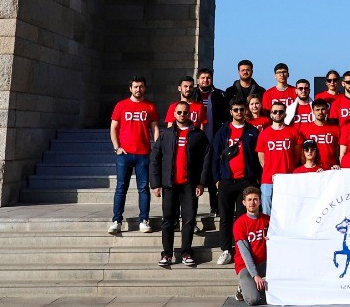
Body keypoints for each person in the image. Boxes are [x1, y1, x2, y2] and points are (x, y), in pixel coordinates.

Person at [149, 101, 211, 267]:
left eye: (185, 112)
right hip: (170, 185)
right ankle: (167, 254)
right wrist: (155, 184)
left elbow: (206, 159)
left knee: (189, 220)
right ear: (174, 114)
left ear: (189, 114)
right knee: (168, 220)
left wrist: (201, 183)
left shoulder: (198, 135)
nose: (182, 115)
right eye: (179, 112)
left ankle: (186, 252)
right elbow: (154, 159)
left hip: (189, 185)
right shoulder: (166, 134)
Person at [212, 101, 261, 265]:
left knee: (242, 218)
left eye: (241, 109)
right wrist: (216, 178)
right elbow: (215, 156)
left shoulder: (252, 131)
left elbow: (258, 157)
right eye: (235, 110)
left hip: (246, 181)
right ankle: (226, 249)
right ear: (231, 112)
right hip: (226, 180)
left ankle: (241, 249)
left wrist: (256, 178)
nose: (239, 112)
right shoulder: (222, 132)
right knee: (225, 217)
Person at [108, 78, 159, 235]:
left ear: (145, 88)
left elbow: (155, 129)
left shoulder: (150, 107)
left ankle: (144, 220)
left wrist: (156, 149)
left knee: (143, 188)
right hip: (124, 154)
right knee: (121, 187)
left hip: (143, 154)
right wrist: (116, 147)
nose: (138, 89)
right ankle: (117, 220)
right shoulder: (121, 105)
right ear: (130, 88)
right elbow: (113, 127)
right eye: (136, 87)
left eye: (141, 86)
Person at [256, 106, 301, 213]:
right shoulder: (264, 134)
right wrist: (271, 170)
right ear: (271, 114)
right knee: (267, 214)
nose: (277, 114)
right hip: (268, 180)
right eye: (275, 112)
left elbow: (297, 156)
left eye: (281, 112)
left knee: (288, 212)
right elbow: (262, 159)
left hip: (288, 178)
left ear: (285, 114)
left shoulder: (293, 132)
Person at [231, 187, 270, 306]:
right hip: (246, 266)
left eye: (255, 199)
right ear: (244, 203)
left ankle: (257, 286)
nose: (252, 202)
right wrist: (255, 275)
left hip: (264, 263)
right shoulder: (239, 224)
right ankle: (242, 288)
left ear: (260, 201)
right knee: (253, 300)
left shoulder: (267, 220)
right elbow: (245, 253)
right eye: (249, 200)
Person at [298, 99, 340, 168]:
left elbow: (337, 152)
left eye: (323, 109)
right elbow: (301, 151)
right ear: (313, 111)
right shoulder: (304, 129)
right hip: (312, 169)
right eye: (317, 110)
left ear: (327, 110)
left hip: (330, 169)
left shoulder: (335, 129)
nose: (320, 112)